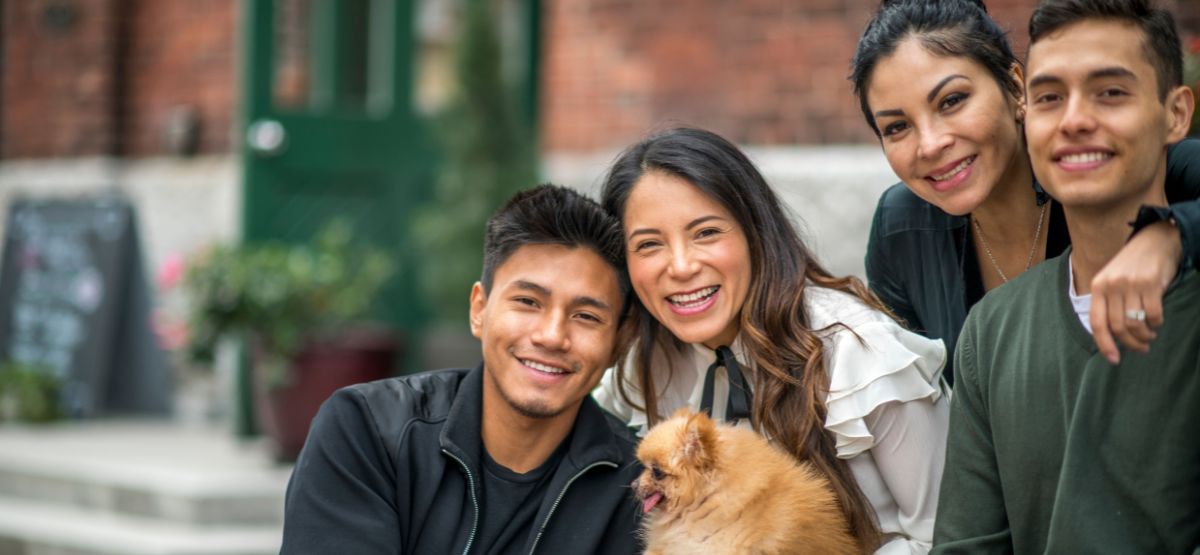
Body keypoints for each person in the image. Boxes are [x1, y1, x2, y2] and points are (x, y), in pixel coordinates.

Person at [593, 127, 950, 554]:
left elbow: (948, 536)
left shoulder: (860, 352)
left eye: (706, 232)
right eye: (649, 244)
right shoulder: (648, 362)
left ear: (755, 232)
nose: (682, 266)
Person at [934, 0, 1200, 551]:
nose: (1075, 119)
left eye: (1111, 92)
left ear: (1176, 114)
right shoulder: (991, 332)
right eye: (1050, 97)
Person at [851, 0, 1200, 384]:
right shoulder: (900, 228)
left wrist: (1170, 236)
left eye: (952, 101)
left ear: (1016, 87)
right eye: (897, 127)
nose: (930, 145)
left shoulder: (1104, 167)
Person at [281, 185, 643, 554]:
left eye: (585, 316)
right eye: (528, 301)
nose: (551, 336)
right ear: (479, 310)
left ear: (620, 340)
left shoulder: (640, 489)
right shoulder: (368, 431)